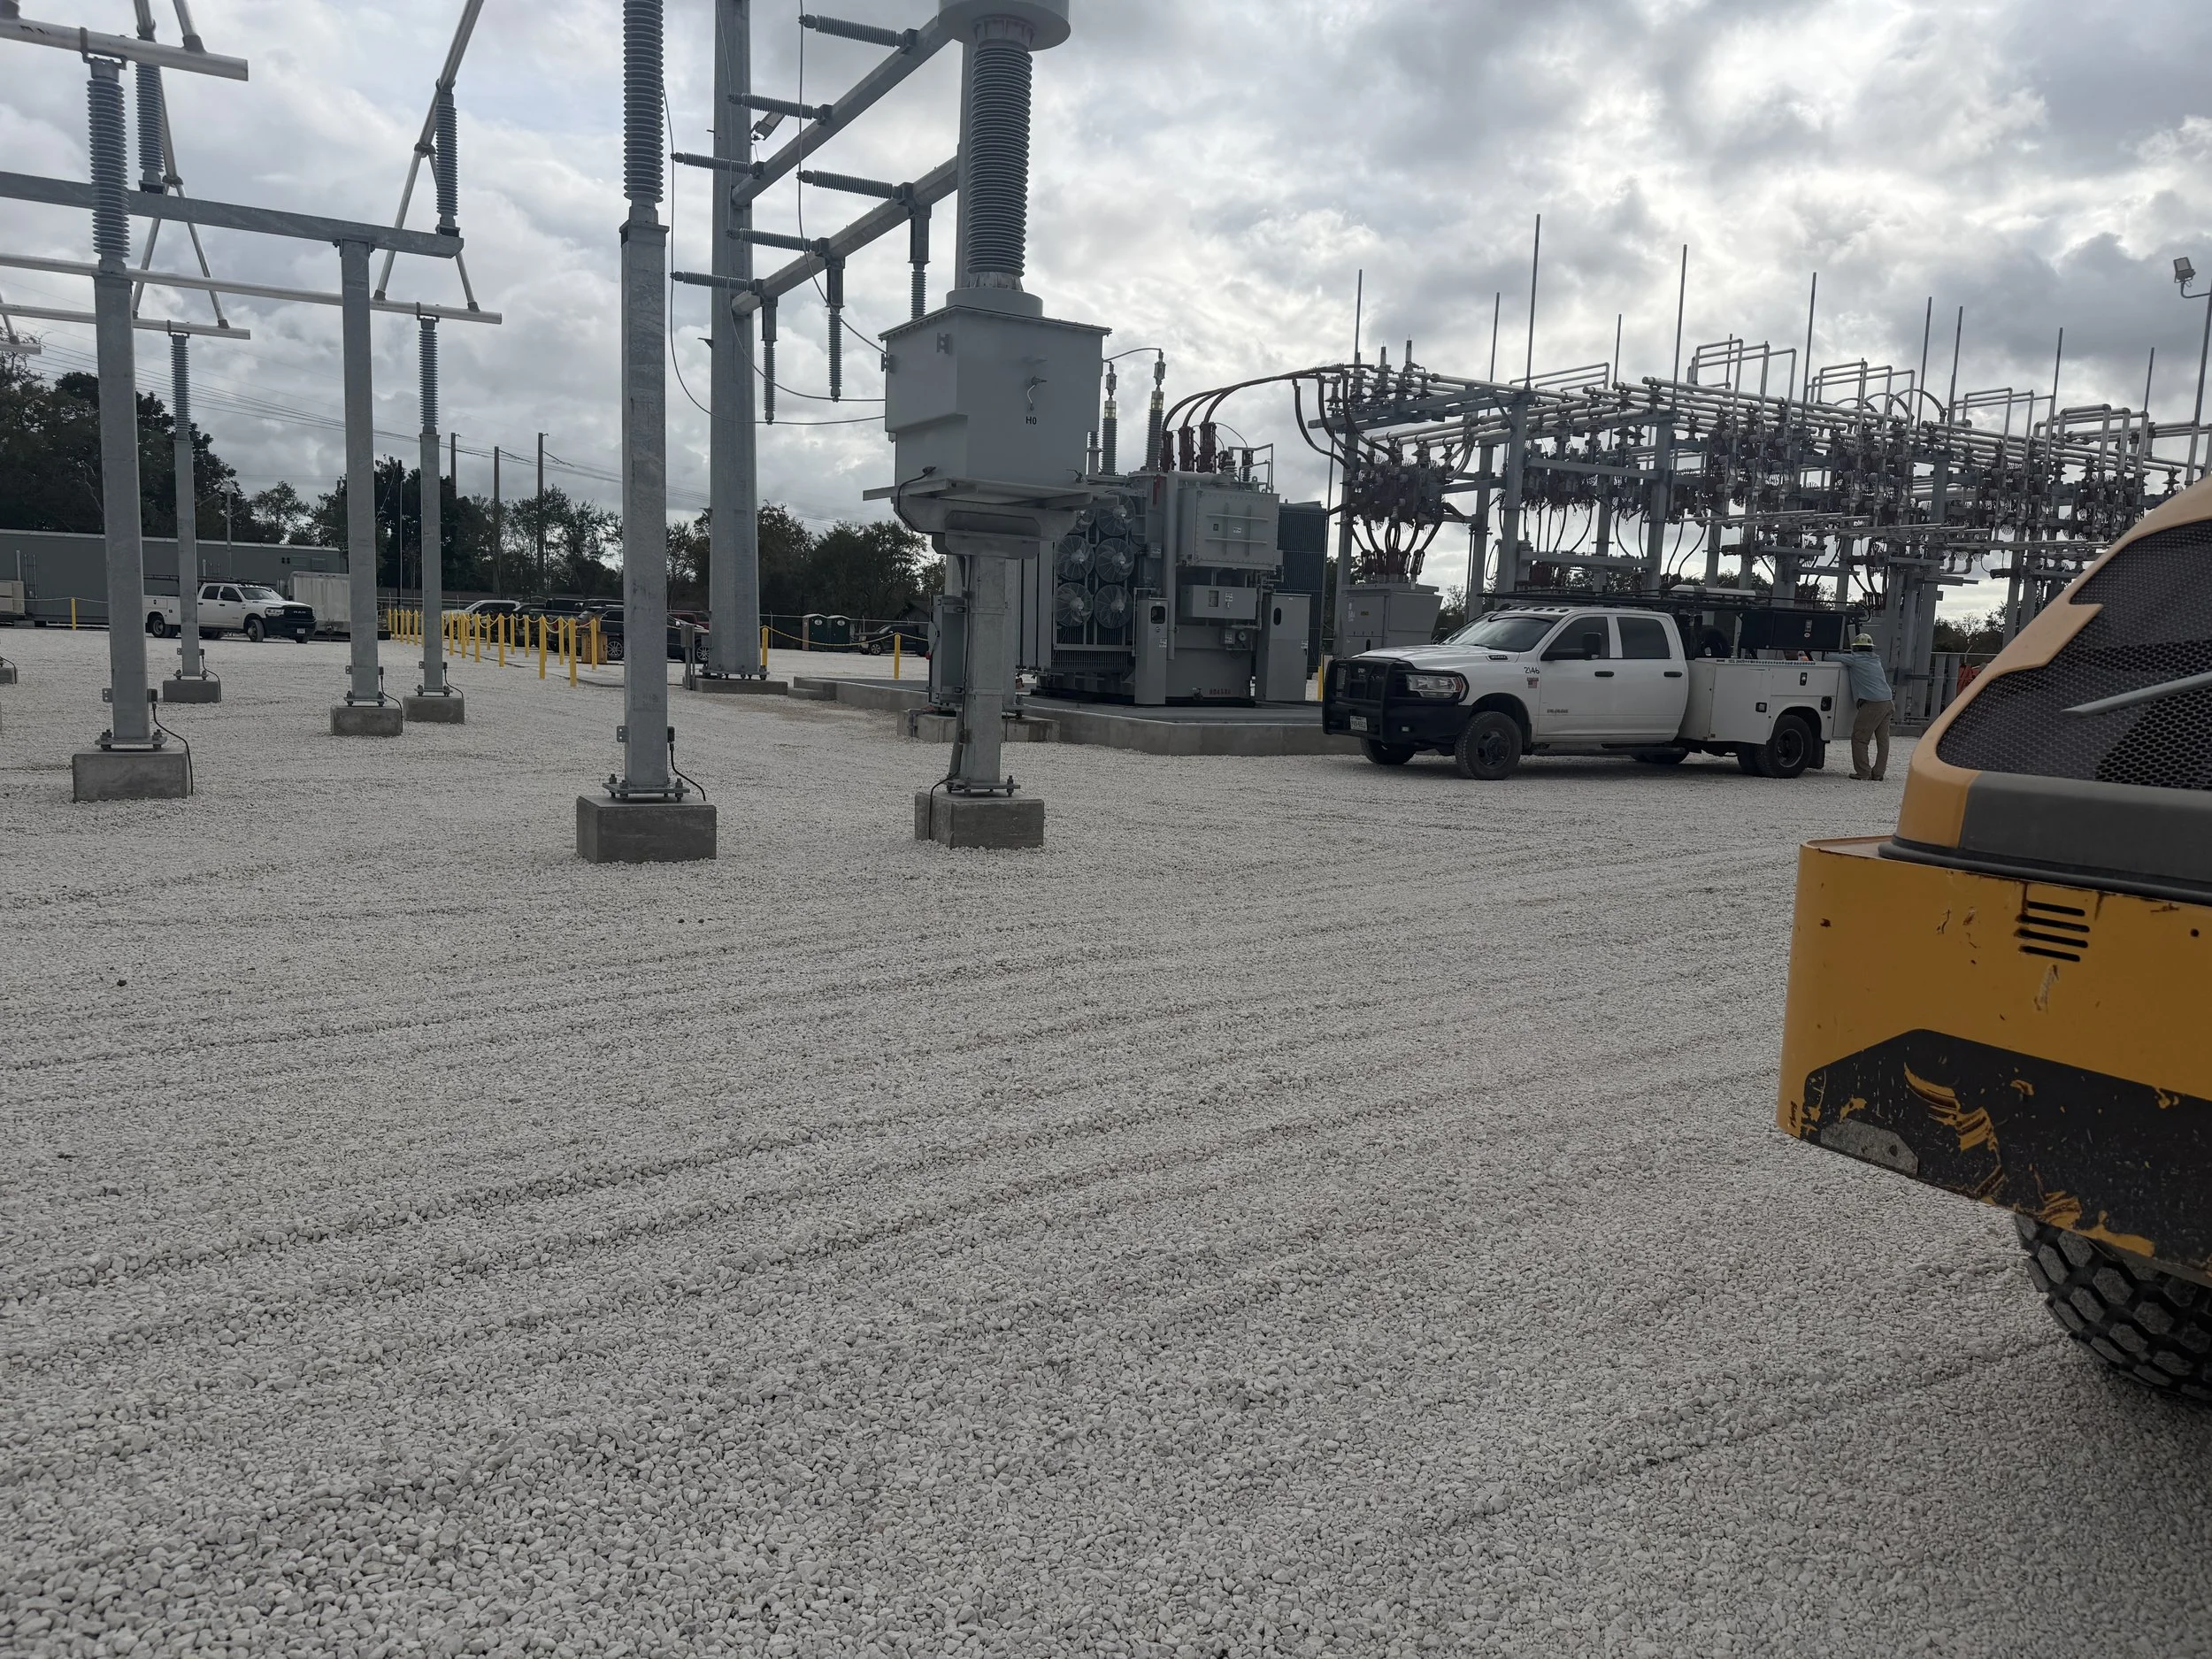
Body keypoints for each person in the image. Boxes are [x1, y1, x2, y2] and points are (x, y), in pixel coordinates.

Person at [1829, 633, 1894, 780]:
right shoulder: (1876, 661)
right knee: (1882, 740)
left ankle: (1863, 772)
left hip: (1873, 704)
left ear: (1856, 648)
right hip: (1887, 701)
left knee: (1859, 738)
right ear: (1871, 648)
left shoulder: (1855, 659)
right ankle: (1878, 773)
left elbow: (1830, 658)